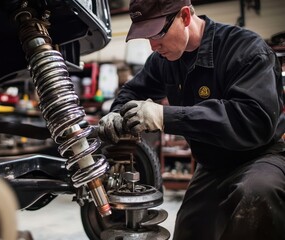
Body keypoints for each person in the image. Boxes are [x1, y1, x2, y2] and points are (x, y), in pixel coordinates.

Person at [98, 0, 285, 239]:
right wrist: (116, 112)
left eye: (157, 33)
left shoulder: (246, 49)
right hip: (212, 165)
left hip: (261, 157)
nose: (153, 46)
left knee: (257, 195)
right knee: (190, 229)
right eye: (147, 37)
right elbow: (132, 91)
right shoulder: (164, 60)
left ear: (185, 16)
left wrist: (165, 116)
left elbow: (253, 120)